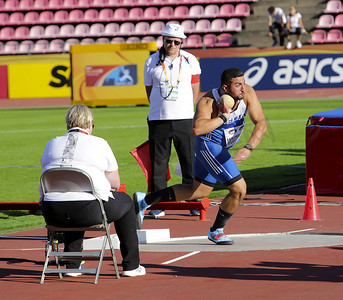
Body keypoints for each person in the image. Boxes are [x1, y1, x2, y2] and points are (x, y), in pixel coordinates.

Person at [134, 68, 267, 245]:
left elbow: (261, 122)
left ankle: (145, 200)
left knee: (197, 191)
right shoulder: (207, 101)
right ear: (226, 87)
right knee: (239, 189)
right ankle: (217, 230)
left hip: (221, 148)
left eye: (243, 83)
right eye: (238, 85)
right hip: (209, 146)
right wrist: (224, 117)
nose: (243, 88)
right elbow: (197, 129)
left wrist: (249, 147)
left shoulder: (247, 92)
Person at [40, 104, 145, 277]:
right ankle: (131, 265)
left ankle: (73, 265)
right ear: (90, 124)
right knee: (125, 201)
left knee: (72, 196)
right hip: (88, 211)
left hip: (52, 212)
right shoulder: (100, 143)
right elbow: (115, 184)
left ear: (68, 123)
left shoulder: (51, 143)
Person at [143, 23, 201, 218]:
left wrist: (187, 109)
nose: (172, 45)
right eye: (169, 41)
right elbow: (149, 90)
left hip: (184, 119)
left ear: (181, 42)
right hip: (159, 119)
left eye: (177, 42)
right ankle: (159, 205)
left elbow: (195, 88)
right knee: (158, 164)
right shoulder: (151, 61)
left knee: (189, 163)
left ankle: (193, 202)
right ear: (163, 40)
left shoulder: (191, 60)